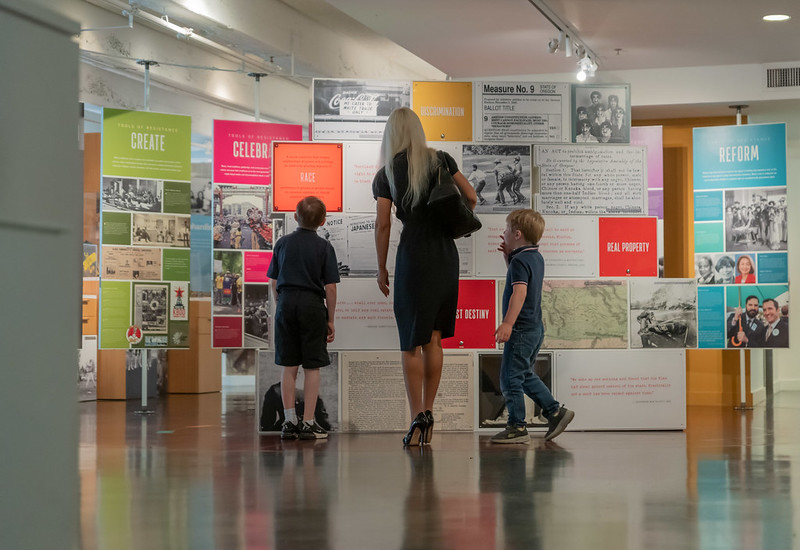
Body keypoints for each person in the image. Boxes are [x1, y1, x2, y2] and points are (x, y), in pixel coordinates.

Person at [372, 107, 477, 446]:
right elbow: (471, 197)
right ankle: (429, 411)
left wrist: (381, 266)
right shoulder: (442, 159)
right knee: (433, 337)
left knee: (410, 341)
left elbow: (384, 223)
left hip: (413, 255)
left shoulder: (386, 172)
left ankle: (417, 414)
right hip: (445, 255)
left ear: (392, 134)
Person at [491, 209, 574, 443]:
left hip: (520, 330)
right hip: (534, 328)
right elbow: (522, 281)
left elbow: (520, 291)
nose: (504, 233)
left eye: (507, 229)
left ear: (517, 234)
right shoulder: (534, 257)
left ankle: (517, 427)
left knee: (510, 379)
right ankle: (555, 412)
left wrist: (508, 323)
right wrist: (508, 257)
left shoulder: (520, 261)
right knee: (524, 375)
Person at [267, 196, 340, 440]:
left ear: (295, 217)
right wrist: (330, 319)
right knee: (312, 366)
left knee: (289, 366)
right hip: (312, 306)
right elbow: (330, 288)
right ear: (323, 221)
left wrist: (281, 306)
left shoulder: (282, 243)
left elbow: (274, 281)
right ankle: (309, 422)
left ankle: (289, 422)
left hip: (286, 303)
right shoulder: (325, 248)